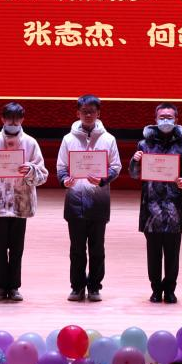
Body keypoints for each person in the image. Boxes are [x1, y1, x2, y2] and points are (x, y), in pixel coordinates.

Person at [0, 102, 49, 302]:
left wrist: (31, 170)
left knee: (17, 249)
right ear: (3, 119)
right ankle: (0, 287)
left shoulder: (31, 143)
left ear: (22, 119)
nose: (13, 123)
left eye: (17, 119)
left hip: (20, 204)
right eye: (10, 119)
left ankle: (14, 287)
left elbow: (43, 175)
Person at [57, 94, 122, 302]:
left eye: (91, 111)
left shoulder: (108, 139)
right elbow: (61, 167)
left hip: (98, 202)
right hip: (74, 201)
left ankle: (94, 287)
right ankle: (77, 287)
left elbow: (116, 167)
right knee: (76, 249)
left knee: (97, 249)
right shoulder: (68, 139)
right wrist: (65, 180)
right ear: (78, 113)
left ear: (98, 113)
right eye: (84, 111)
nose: (87, 115)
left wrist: (103, 180)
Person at [131, 102, 182, 304]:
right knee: (153, 253)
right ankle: (155, 289)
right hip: (151, 209)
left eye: (169, 117)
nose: (165, 121)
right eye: (162, 117)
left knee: (172, 254)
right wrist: (135, 161)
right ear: (155, 119)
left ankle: (170, 289)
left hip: (174, 208)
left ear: (176, 120)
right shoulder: (144, 145)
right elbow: (134, 174)